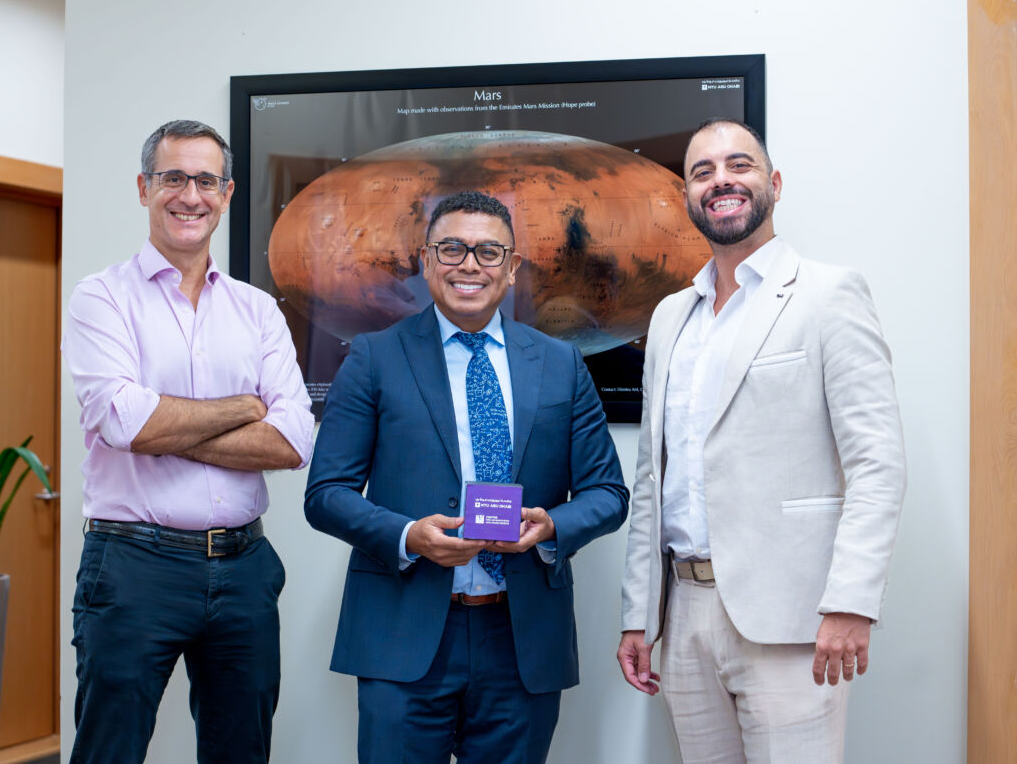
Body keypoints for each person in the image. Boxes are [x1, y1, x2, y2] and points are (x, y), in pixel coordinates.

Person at [617, 119, 906, 764]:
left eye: (739, 165)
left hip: (795, 620)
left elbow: (877, 465)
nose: (721, 180)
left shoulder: (830, 295)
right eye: (703, 171)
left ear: (772, 184)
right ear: (689, 199)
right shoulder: (669, 317)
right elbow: (651, 482)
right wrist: (640, 614)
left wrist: (851, 604)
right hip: (683, 616)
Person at [305, 191, 628, 764]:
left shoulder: (560, 363)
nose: (469, 265)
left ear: (512, 268)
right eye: (451, 248)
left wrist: (550, 525)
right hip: (403, 634)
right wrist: (409, 537)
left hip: (521, 637)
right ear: (426, 260)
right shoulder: (374, 358)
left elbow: (608, 493)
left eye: (487, 251)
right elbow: (325, 495)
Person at [62, 119, 314, 764]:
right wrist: (241, 408)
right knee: (108, 751)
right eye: (173, 178)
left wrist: (160, 428)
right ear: (145, 188)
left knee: (241, 753)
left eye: (206, 180)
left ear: (227, 194)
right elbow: (123, 421)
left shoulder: (258, 310)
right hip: (131, 568)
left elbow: (291, 440)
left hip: (244, 568)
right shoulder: (100, 299)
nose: (189, 196)